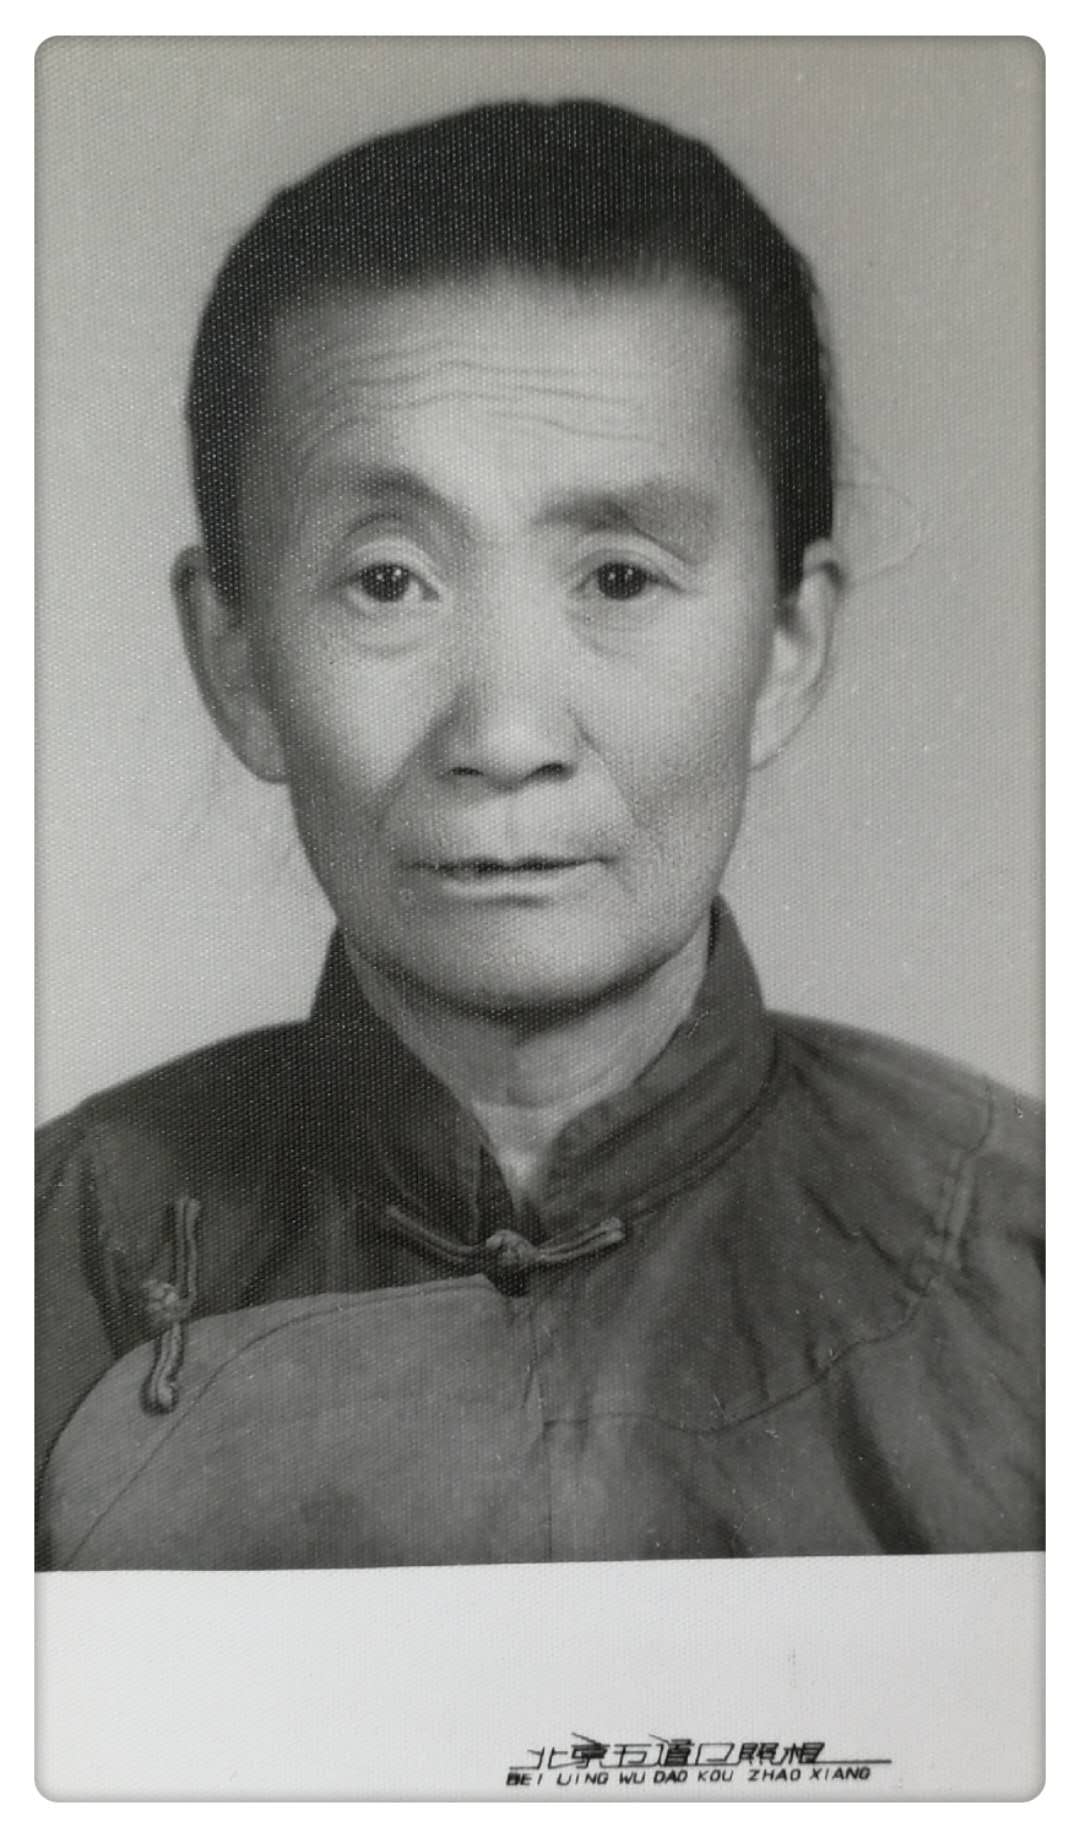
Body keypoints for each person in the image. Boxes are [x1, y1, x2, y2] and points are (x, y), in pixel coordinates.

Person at [35, 98, 1043, 1570]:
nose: (506, 735)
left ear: (787, 646)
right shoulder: (49, 1273)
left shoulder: (1027, 1280)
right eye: (388, 580)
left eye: (620, 578)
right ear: (237, 663)